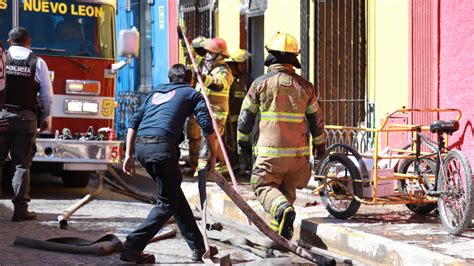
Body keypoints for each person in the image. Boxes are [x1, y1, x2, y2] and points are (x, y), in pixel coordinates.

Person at [120, 64, 218, 263]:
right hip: (162, 150)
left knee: (175, 197)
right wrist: (213, 156)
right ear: (189, 79)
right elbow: (207, 126)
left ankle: (198, 247)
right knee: (167, 203)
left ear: (170, 78)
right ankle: (132, 246)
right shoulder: (192, 93)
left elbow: (133, 123)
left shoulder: (154, 94)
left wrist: (128, 155)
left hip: (142, 149)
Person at [237, 32, 326, 240]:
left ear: (271, 57)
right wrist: (320, 148)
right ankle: (279, 239)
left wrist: (242, 148)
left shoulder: (259, 83)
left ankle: (282, 214)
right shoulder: (306, 87)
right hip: (298, 158)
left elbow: (244, 120)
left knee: (264, 187)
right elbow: (317, 122)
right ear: (293, 59)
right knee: (285, 195)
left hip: (270, 157)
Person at [0, 27, 53, 222]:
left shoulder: (2, 59)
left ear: (8, 41)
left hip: (1, 117)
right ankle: (20, 211)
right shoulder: (38, 63)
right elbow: (47, 96)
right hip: (26, 119)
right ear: (29, 42)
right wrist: (45, 118)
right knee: (21, 165)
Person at [193, 37, 233, 177]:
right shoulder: (205, 65)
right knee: (215, 141)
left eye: (211, 53)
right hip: (203, 111)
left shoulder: (224, 71)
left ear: (219, 55)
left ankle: (202, 171)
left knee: (208, 140)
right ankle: (223, 167)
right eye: (207, 52)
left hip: (216, 113)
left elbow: (218, 84)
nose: (208, 55)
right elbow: (191, 57)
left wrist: (203, 78)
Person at [223, 49, 254, 176]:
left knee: (243, 143)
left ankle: (244, 166)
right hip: (227, 120)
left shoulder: (246, 80)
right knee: (229, 144)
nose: (244, 66)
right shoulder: (226, 79)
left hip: (243, 119)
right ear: (235, 64)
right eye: (242, 63)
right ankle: (232, 167)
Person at [182, 36, 207, 176]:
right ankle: (194, 164)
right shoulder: (195, 62)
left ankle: (198, 165)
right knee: (194, 136)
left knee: (199, 137)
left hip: (204, 105)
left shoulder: (206, 64)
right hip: (196, 103)